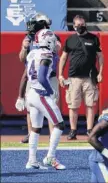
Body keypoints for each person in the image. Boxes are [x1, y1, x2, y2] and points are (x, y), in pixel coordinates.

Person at [25, 29, 65, 170]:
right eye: (53, 41)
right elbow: (42, 77)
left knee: (36, 128)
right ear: (48, 41)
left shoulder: (32, 53)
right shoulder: (46, 54)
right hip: (40, 94)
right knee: (59, 125)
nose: (55, 44)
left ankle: (32, 160)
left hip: (31, 92)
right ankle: (50, 157)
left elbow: (27, 75)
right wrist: (49, 90)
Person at [58, 15, 104, 140]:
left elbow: (100, 56)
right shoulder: (70, 39)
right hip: (73, 78)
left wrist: (100, 72)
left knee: (90, 104)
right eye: (78, 25)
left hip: (89, 77)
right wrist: (61, 75)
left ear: (85, 24)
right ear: (73, 26)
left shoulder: (93, 38)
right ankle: (73, 131)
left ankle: (90, 130)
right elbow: (63, 57)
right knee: (73, 105)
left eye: (82, 24)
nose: (80, 27)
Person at [15, 13, 59, 143]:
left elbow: (56, 52)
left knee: (52, 106)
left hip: (48, 76)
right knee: (30, 108)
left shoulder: (52, 36)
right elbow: (22, 59)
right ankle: (31, 134)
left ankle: (53, 135)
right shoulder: (28, 38)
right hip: (32, 77)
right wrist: (24, 47)